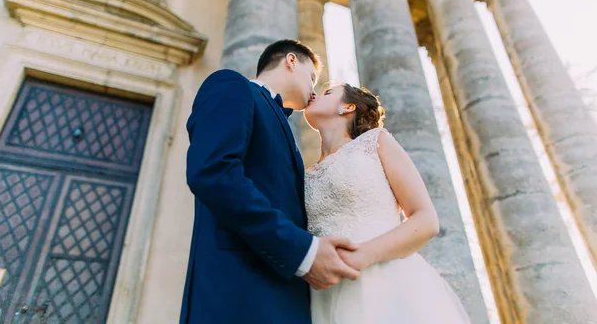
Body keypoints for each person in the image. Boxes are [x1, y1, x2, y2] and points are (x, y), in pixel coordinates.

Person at [180, 40, 360, 324]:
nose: (313, 90)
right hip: (238, 296)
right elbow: (213, 172)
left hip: (283, 296)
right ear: (291, 60)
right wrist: (302, 251)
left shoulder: (283, 124)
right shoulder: (231, 86)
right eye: (311, 78)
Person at [303, 83, 471, 323]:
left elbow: (426, 220)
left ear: (347, 107)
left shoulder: (375, 142)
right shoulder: (305, 175)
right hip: (326, 293)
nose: (315, 95)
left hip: (385, 279)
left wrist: (360, 257)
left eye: (328, 93)